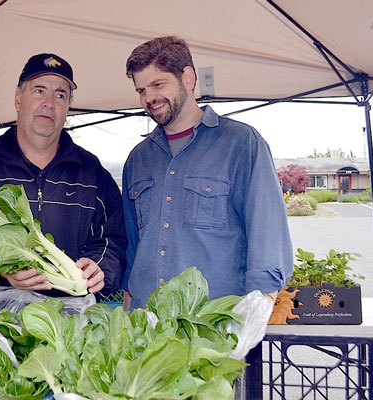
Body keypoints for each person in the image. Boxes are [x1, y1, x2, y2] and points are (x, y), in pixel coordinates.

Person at [121, 36, 293, 310]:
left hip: (214, 329)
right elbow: (133, 250)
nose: (149, 98)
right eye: (141, 90)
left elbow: (268, 239)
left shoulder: (241, 144)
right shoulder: (138, 159)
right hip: (147, 329)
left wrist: (252, 316)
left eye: (157, 84)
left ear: (187, 77)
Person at [0, 53, 126, 297]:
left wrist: (99, 266)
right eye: (39, 91)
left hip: (71, 321)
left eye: (60, 95)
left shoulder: (91, 171)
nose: (49, 102)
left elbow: (114, 238)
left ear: (68, 108)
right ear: (18, 99)